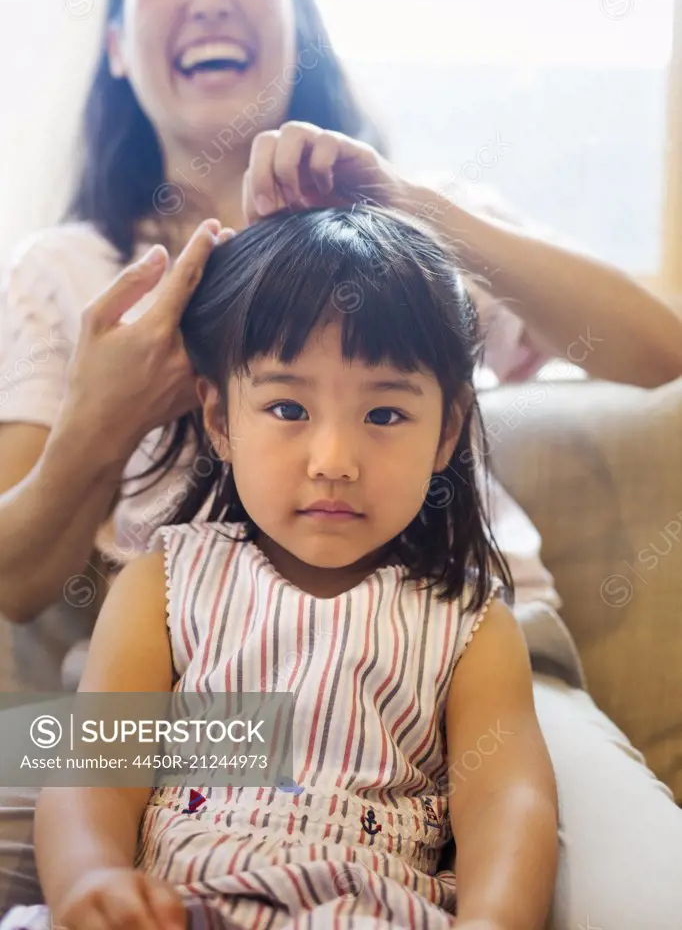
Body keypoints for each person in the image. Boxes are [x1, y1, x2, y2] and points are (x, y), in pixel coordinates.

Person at [0, 0, 681, 926]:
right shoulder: (65, 273)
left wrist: (412, 209)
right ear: (112, 44)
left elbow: (655, 348)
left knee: (644, 894)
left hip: (458, 673)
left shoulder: (397, 232)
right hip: (195, 695)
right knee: (69, 796)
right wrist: (101, 420)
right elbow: (15, 582)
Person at [7, 205, 561, 930]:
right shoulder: (162, 586)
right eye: (288, 407)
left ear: (446, 430)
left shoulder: (471, 623)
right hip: (175, 910)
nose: (334, 461)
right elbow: (95, 773)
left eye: (385, 415)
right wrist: (90, 882)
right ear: (218, 418)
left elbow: (506, 801)